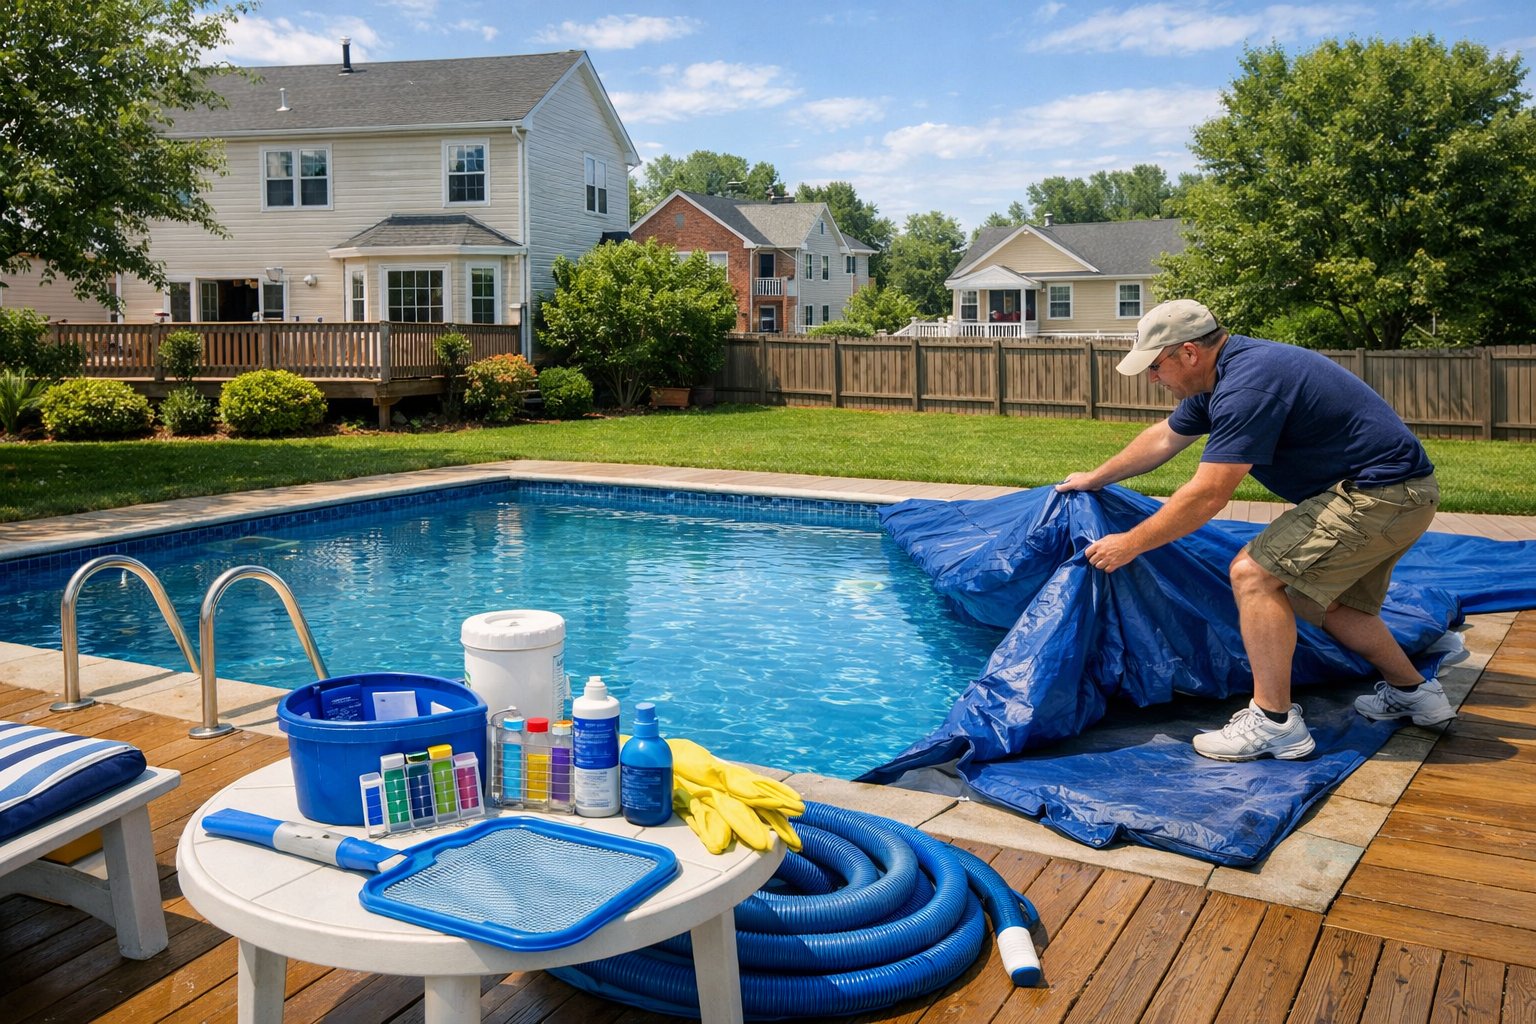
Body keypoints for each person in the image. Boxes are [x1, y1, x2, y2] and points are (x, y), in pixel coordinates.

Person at [1056, 299, 1454, 761]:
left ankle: (1275, 722)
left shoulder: (1249, 385)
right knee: (1318, 598)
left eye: (1156, 365)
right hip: (1401, 495)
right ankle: (1413, 693)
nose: (1152, 378)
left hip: (1378, 495)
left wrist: (1130, 543)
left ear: (1188, 353)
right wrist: (1094, 478)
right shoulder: (1223, 374)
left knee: (1253, 574)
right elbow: (1164, 438)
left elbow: (1209, 494)